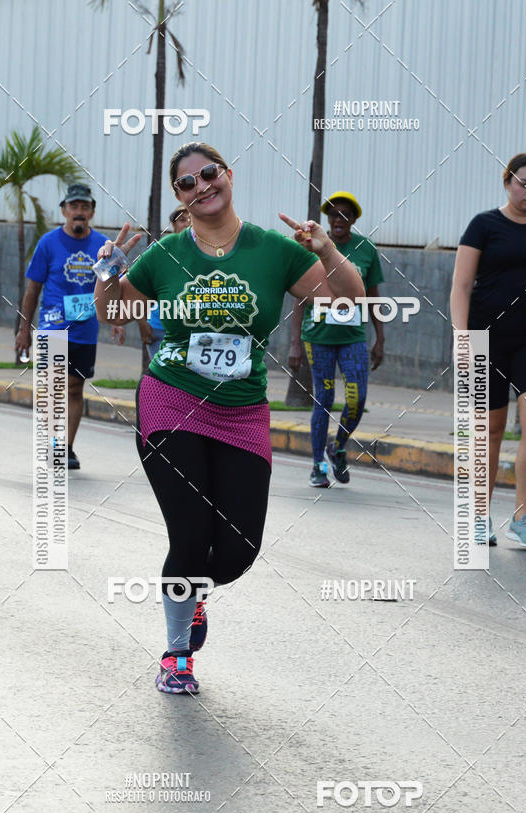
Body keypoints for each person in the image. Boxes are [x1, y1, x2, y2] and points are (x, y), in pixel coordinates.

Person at [94, 142, 365, 694]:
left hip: (242, 411)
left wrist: (326, 251)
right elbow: (114, 311)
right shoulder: (167, 253)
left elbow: (348, 299)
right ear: (179, 196)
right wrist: (106, 272)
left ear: (228, 176)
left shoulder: (272, 249)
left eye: (208, 175)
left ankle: (192, 594)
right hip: (172, 399)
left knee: (239, 548)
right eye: (187, 183)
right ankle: (176, 656)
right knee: (190, 535)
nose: (201, 187)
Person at [450, 152, 526, 549]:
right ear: (507, 183)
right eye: (524, 183)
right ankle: (480, 516)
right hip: (485, 338)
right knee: (489, 431)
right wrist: (461, 337)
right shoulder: (484, 226)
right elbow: (461, 287)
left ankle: (523, 518)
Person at [15, 184, 122, 470]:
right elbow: (33, 288)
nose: (79, 212)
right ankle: (53, 444)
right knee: (53, 387)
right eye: (74, 207)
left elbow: (112, 286)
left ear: (92, 212)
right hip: (53, 326)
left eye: (85, 207)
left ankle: (67, 448)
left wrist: (116, 318)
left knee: (75, 390)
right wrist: (25, 329)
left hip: (85, 330)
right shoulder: (48, 243)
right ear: (64, 210)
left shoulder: (101, 246)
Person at [289, 191, 385, 487]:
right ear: (327, 220)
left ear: (353, 219)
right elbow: (300, 300)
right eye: (333, 215)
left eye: (345, 215)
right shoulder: (311, 248)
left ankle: (338, 447)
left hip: (353, 338)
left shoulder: (366, 249)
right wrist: (294, 343)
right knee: (324, 400)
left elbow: (373, 297)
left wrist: (380, 338)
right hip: (318, 338)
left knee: (357, 399)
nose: (338, 220)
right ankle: (318, 465)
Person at [139, 205, 191, 362]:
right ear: (173, 224)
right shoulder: (159, 250)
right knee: (162, 379)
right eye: (182, 220)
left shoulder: (208, 253)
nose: (188, 224)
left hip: (193, 331)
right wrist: (142, 321)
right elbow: (140, 286)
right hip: (159, 328)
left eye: (192, 219)